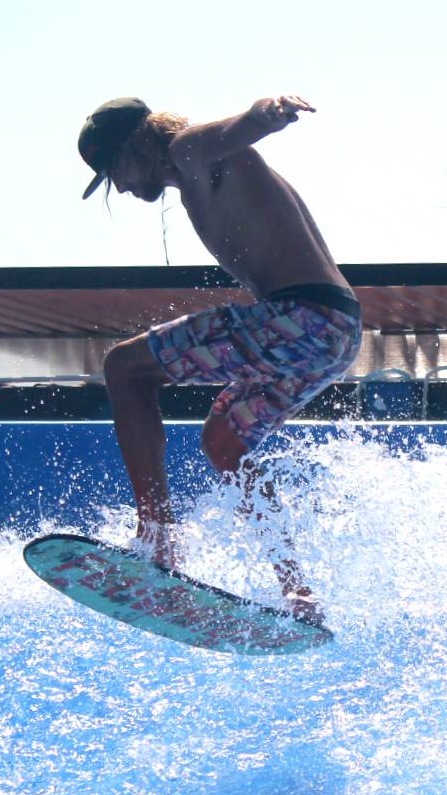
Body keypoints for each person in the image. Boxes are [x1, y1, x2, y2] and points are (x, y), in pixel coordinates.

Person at [77, 95, 361, 623]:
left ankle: (156, 537)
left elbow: (235, 129)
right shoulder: (195, 175)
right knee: (224, 444)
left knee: (124, 368)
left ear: (136, 145)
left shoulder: (189, 150)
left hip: (302, 319)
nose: (116, 186)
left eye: (112, 169)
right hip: (334, 334)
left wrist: (266, 114)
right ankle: (298, 591)